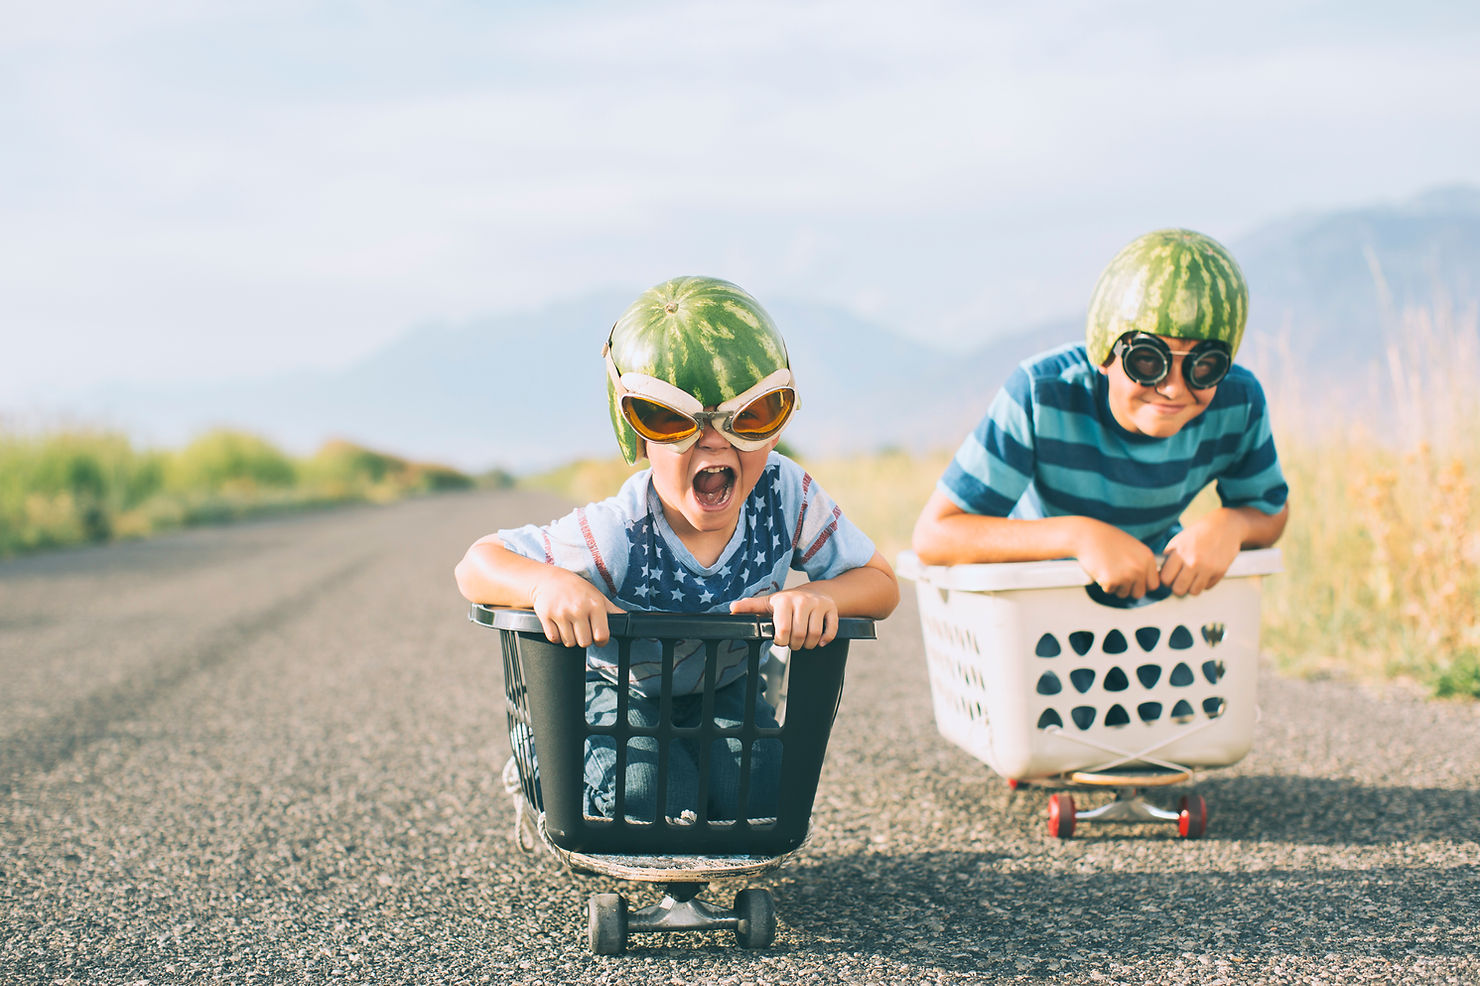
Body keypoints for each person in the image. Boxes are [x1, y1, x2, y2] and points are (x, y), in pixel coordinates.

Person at [455, 275, 899, 822]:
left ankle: (695, 779)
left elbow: (881, 583)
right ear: (636, 435)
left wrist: (823, 596)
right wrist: (549, 583)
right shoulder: (618, 532)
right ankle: (544, 763)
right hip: (617, 693)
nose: (715, 441)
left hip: (728, 685)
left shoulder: (787, 497)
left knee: (764, 794)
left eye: (751, 417)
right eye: (673, 421)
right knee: (650, 795)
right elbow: (476, 563)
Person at [912, 228, 1289, 599]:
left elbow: (1270, 511)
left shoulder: (1237, 400)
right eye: (1147, 360)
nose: (1174, 387)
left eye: (1204, 365)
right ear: (1103, 353)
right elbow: (935, 535)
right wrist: (1079, 536)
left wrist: (1231, 525)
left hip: (1156, 617)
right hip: (1036, 605)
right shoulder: (1043, 394)